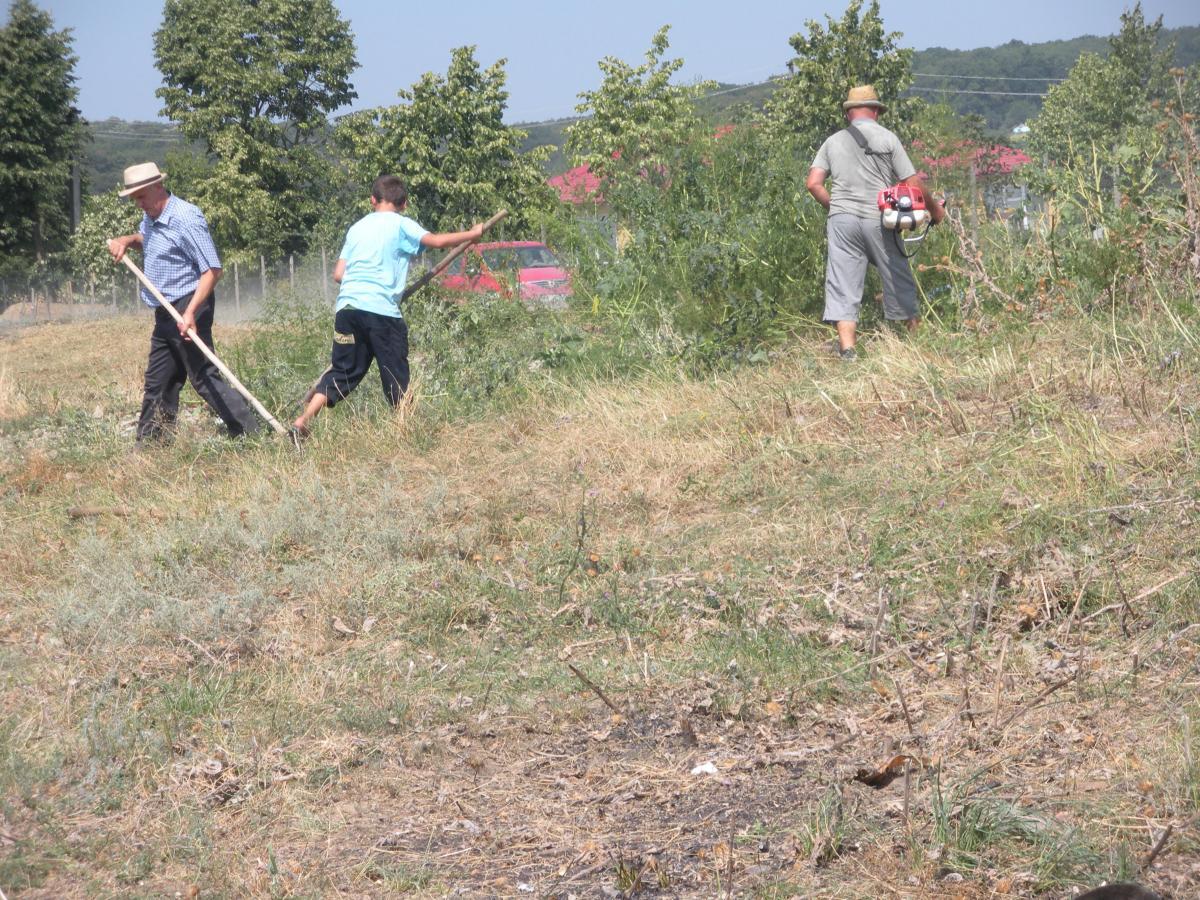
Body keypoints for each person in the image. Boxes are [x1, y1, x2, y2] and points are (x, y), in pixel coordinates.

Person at [291, 175, 482, 438]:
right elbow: (437, 241)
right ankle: (408, 432)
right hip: (381, 312)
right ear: (404, 203)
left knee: (343, 371)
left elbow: (338, 274)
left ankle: (303, 420)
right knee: (395, 373)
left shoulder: (356, 228)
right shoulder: (400, 224)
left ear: (372, 200)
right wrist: (473, 234)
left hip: (347, 309)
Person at [107, 162, 262, 441]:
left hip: (190, 303)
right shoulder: (151, 216)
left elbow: (212, 270)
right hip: (164, 308)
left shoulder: (186, 217)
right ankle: (153, 443)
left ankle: (250, 433)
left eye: (141, 197)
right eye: (134, 199)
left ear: (157, 186)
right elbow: (150, 241)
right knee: (160, 379)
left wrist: (190, 312)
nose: (139, 204)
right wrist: (128, 240)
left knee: (202, 376)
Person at [806, 85, 945, 360]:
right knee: (897, 275)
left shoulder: (832, 141)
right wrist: (935, 210)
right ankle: (917, 340)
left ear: (849, 113)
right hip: (879, 218)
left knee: (843, 283)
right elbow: (912, 183)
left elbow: (813, 184)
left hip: (842, 221)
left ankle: (848, 350)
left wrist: (837, 209)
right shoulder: (888, 138)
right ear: (876, 111)